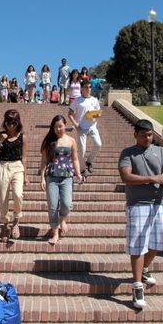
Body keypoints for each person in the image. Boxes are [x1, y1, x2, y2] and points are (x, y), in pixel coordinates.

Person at [118, 119, 163, 309]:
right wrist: (151, 178)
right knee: (138, 245)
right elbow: (126, 177)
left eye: (150, 135)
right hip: (138, 204)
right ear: (135, 135)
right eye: (143, 135)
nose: (147, 138)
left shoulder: (161, 151)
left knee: (157, 243)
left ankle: (145, 270)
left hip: (159, 203)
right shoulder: (128, 153)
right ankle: (137, 286)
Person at [39, 115, 83, 245]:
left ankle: (62, 219)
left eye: (60, 126)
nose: (58, 129)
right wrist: (42, 178)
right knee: (52, 206)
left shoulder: (71, 141)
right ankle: (55, 232)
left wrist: (78, 174)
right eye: (55, 127)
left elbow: (75, 159)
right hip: (51, 176)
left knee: (67, 204)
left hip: (67, 177)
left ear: (65, 126)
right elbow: (43, 161)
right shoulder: (48, 142)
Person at [0, 109, 28, 242]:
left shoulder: (22, 136)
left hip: (17, 166)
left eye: (13, 122)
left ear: (18, 122)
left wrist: (26, 175)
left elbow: (24, 157)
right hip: (3, 166)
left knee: (18, 194)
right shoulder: (0, 135)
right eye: (8, 122)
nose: (10, 125)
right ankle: (6, 226)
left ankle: (16, 221)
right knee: (3, 198)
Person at [68, 80, 102, 175]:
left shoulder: (94, 100)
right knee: (82, 149)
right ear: (82, 88)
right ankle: (82, 169)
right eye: (86, 87)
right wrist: (75, 124)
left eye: (90, 87)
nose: (88, 89)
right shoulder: (77, 100)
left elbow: (98, 113)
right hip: (81, 127)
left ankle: (89, 161)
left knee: (98, 144)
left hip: (92, 126)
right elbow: (70, 114)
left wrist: (94, 115)